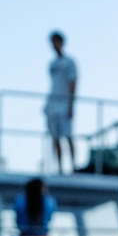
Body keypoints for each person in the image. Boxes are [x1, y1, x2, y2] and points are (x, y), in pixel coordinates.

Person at [44, 31, 78, 173]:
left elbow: (72, 83)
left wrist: (71, 104)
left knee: (68, 135)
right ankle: (59, 167)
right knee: (55, 137)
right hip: (52, 104)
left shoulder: (69, 62)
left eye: (56, 41)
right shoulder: (52, 64)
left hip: (64, 104)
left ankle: (73, 166)